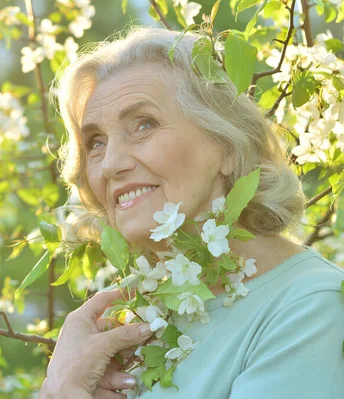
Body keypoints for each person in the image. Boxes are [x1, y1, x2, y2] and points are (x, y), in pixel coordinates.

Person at [38, 27, 344, 398]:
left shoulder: (312, 307)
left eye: (143, 124)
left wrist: (64, 389)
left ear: (227, 145)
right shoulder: (131, 318)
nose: (110, 165)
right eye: (96, 143)